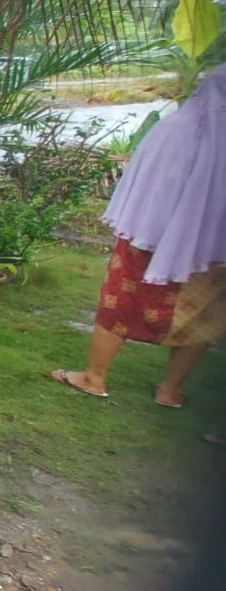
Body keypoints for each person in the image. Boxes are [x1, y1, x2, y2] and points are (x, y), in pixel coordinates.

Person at [51, 64, 226, 407]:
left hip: (149, 236)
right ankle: (170, 390)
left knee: (121, 301)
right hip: (210, 250)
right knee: (203, 318)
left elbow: (145, 186)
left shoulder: (175, 130)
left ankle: (95, 377)